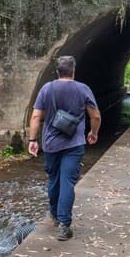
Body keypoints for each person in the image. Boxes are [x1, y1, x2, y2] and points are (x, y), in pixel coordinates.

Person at [28, 56, 101, 241]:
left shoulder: (47, 88)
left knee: (53, 179)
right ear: (73, 70)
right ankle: (64, 226)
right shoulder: (82, 89)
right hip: (74, 143)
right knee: (67, 181)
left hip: (51, 143)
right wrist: (93, 133)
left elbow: (36, 116)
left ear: (57, 71)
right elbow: (95, 116)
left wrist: (32, 140)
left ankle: (54, 213)